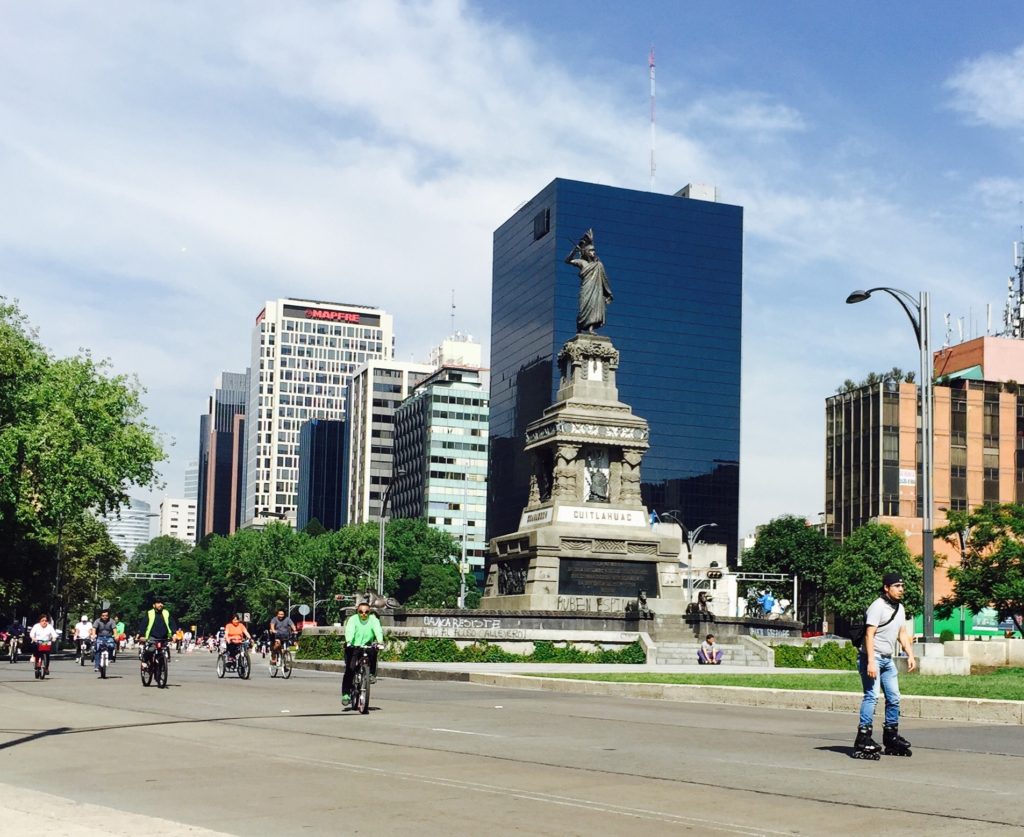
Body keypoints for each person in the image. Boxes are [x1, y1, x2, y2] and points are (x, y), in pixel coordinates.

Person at [854, 572, 917, 759]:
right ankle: (863, 738)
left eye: (902, 586)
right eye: (897, 586)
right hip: (871, 658)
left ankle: (891, 736)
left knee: (894, 697)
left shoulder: (900, 608)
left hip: (888, 660)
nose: (901, 589)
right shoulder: (877, 606)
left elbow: (902, 634)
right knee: (872, 696)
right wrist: (871, 661)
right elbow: (869, 634)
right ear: (886, 588)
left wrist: (910, 654)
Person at [564, 228, 613, 333]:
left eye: (594, 250)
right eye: (590, 250)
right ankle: (579, 327)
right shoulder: (582, 263)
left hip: (596, 289)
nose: (593, 252)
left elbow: (604, 279)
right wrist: (574, 251)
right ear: (586, 252)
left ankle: (591, 329)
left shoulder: (598, 265)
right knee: (584, 307)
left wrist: (608, 294)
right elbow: (567, 261)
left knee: (594, 306)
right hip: (586, 288)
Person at [341, 602, 383, 706]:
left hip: (367, 645)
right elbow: (349, 630)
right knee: (350, 670)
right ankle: (346, 694)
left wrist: (380, 642)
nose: (363, 614)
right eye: (361, 612)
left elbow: (378, 630)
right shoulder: (353, 619)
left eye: (366, 612)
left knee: (373, 652)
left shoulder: (374, 620)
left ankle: (371, 674)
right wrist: (349, 641)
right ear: (357, 612)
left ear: (369, 612)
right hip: (353, 646)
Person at [137, 598, 176, 670]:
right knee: (151, 650)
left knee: (163, 651)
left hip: (164, 636)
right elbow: (143, 624)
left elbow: (172, 623)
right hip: (152, 636)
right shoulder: (150, 613)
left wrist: (174, 634)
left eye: (161, 603)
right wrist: (142, 635)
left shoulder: (166, 613)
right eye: (158, 603)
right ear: (154, 605)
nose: (160, 605)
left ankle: (160, 667)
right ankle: (145, 659)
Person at [29, 613, 58, 678]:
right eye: (43, 620)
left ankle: (46, 668)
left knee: (47, 655)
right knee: (35, 650)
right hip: (37, 642)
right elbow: (31, 633)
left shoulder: (49, 626)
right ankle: (34, 658)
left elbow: (54, 634)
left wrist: (54, 638)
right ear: (40, 621)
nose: (44, 622)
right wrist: (33, 638)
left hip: (46, 643)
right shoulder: (36, 626)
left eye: (46, 620)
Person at [91, 608, 118, 674]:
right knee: (97, 650)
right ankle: (97, 666)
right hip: (100, 637)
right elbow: (94, 628)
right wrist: (93, 635)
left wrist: (116, 635)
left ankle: (109, 658)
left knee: (112, 646)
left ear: (108, 615)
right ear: (101, 616)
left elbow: (114, 630)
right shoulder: (97, 621)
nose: (104, 617)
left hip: (109, 637)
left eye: (106, 615)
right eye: (103, 615)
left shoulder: (112, 621)